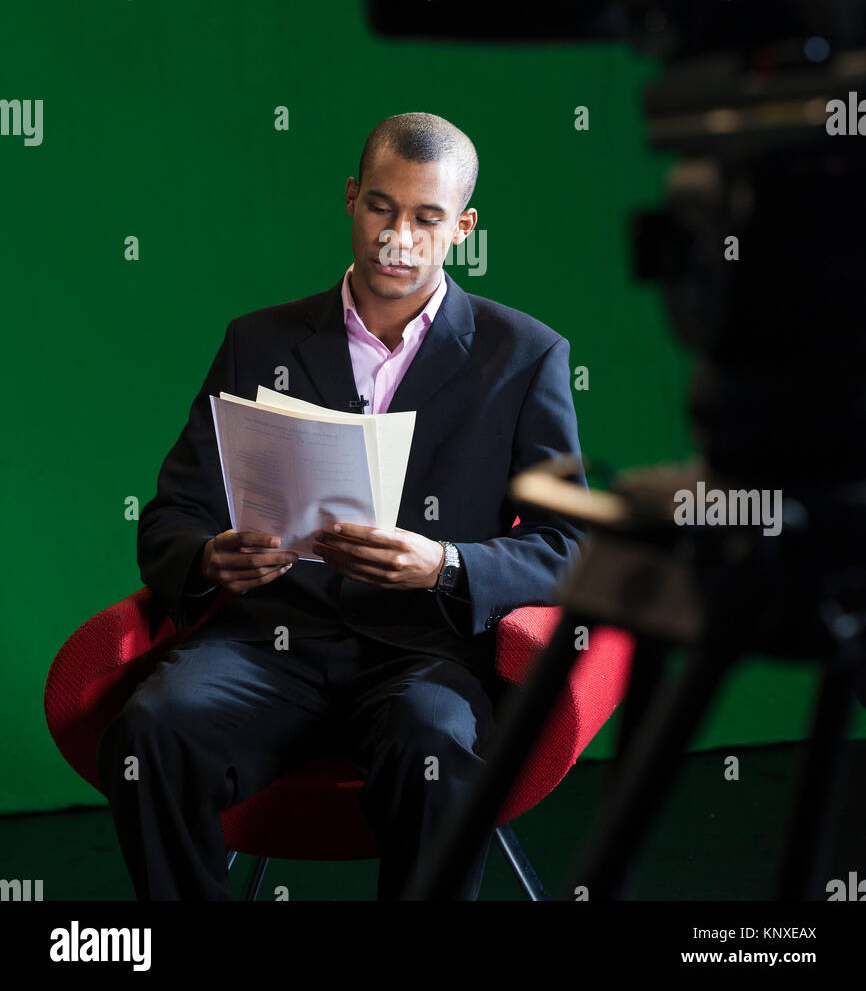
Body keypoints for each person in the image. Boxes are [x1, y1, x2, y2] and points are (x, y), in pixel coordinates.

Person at [97, 111, 587, 901]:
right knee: (151, 733)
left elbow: (573, 546)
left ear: (461, 226)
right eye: (382, 207)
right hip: (266, 644)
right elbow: (171, 516)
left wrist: (447, 564)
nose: (399, 235)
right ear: (352, 199)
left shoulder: (525, 355)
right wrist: (207, 556)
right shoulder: (256, 343)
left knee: (433, 742)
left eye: (427, 217)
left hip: (422, 654)